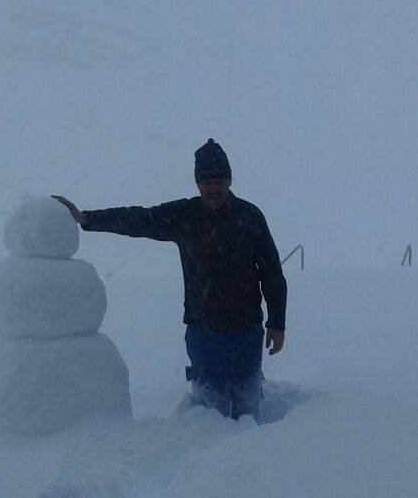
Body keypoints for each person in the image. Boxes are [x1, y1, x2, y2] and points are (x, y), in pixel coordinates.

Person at [52, 139, 286, 422]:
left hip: (245, 331)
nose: (213, 188)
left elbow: (272, 272)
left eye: (219, 181)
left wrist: (277, 323)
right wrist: (86, 218)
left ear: (230, 180)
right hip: (203, 332)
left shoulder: (249, 216)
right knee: (209, 415)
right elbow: (137, 218)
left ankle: (254, 456)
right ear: (197, 183)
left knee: (248, 409)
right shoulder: (184, 215)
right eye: (206, 181)